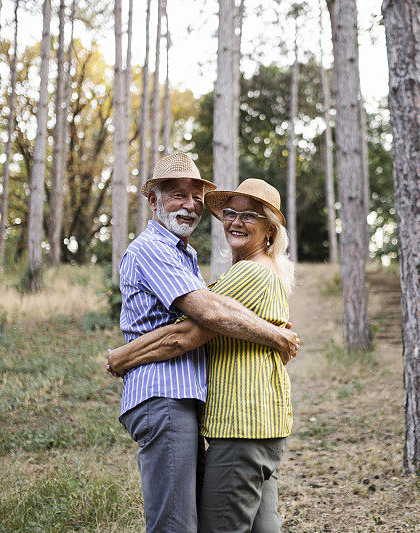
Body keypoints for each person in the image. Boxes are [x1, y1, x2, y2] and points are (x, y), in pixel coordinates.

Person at [111, 154, 299, 533]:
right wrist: (277, 334)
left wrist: (121, 356)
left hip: (234, 419)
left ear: (270, 231)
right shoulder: (155, 250)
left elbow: (197, 326)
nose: (190, 205)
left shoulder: (238, 269)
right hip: (170, 398)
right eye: (230, 212)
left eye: (196, 196)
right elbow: (206, 317)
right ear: (154, 201)